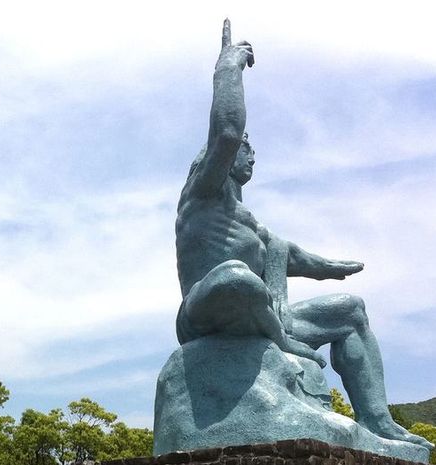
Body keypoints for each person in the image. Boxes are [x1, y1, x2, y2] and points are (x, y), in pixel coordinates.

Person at [174, 19, 431, 448]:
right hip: (208, 310)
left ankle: (377, 421)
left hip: (262, 316)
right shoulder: (200, 195)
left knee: (350, 311)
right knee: (238, 276)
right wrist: (227, 69)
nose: (250, 154)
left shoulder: (253, 224)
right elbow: (226, 133)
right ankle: (281, 339)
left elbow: (296, 257)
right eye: (246, 149)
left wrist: (331, 269)